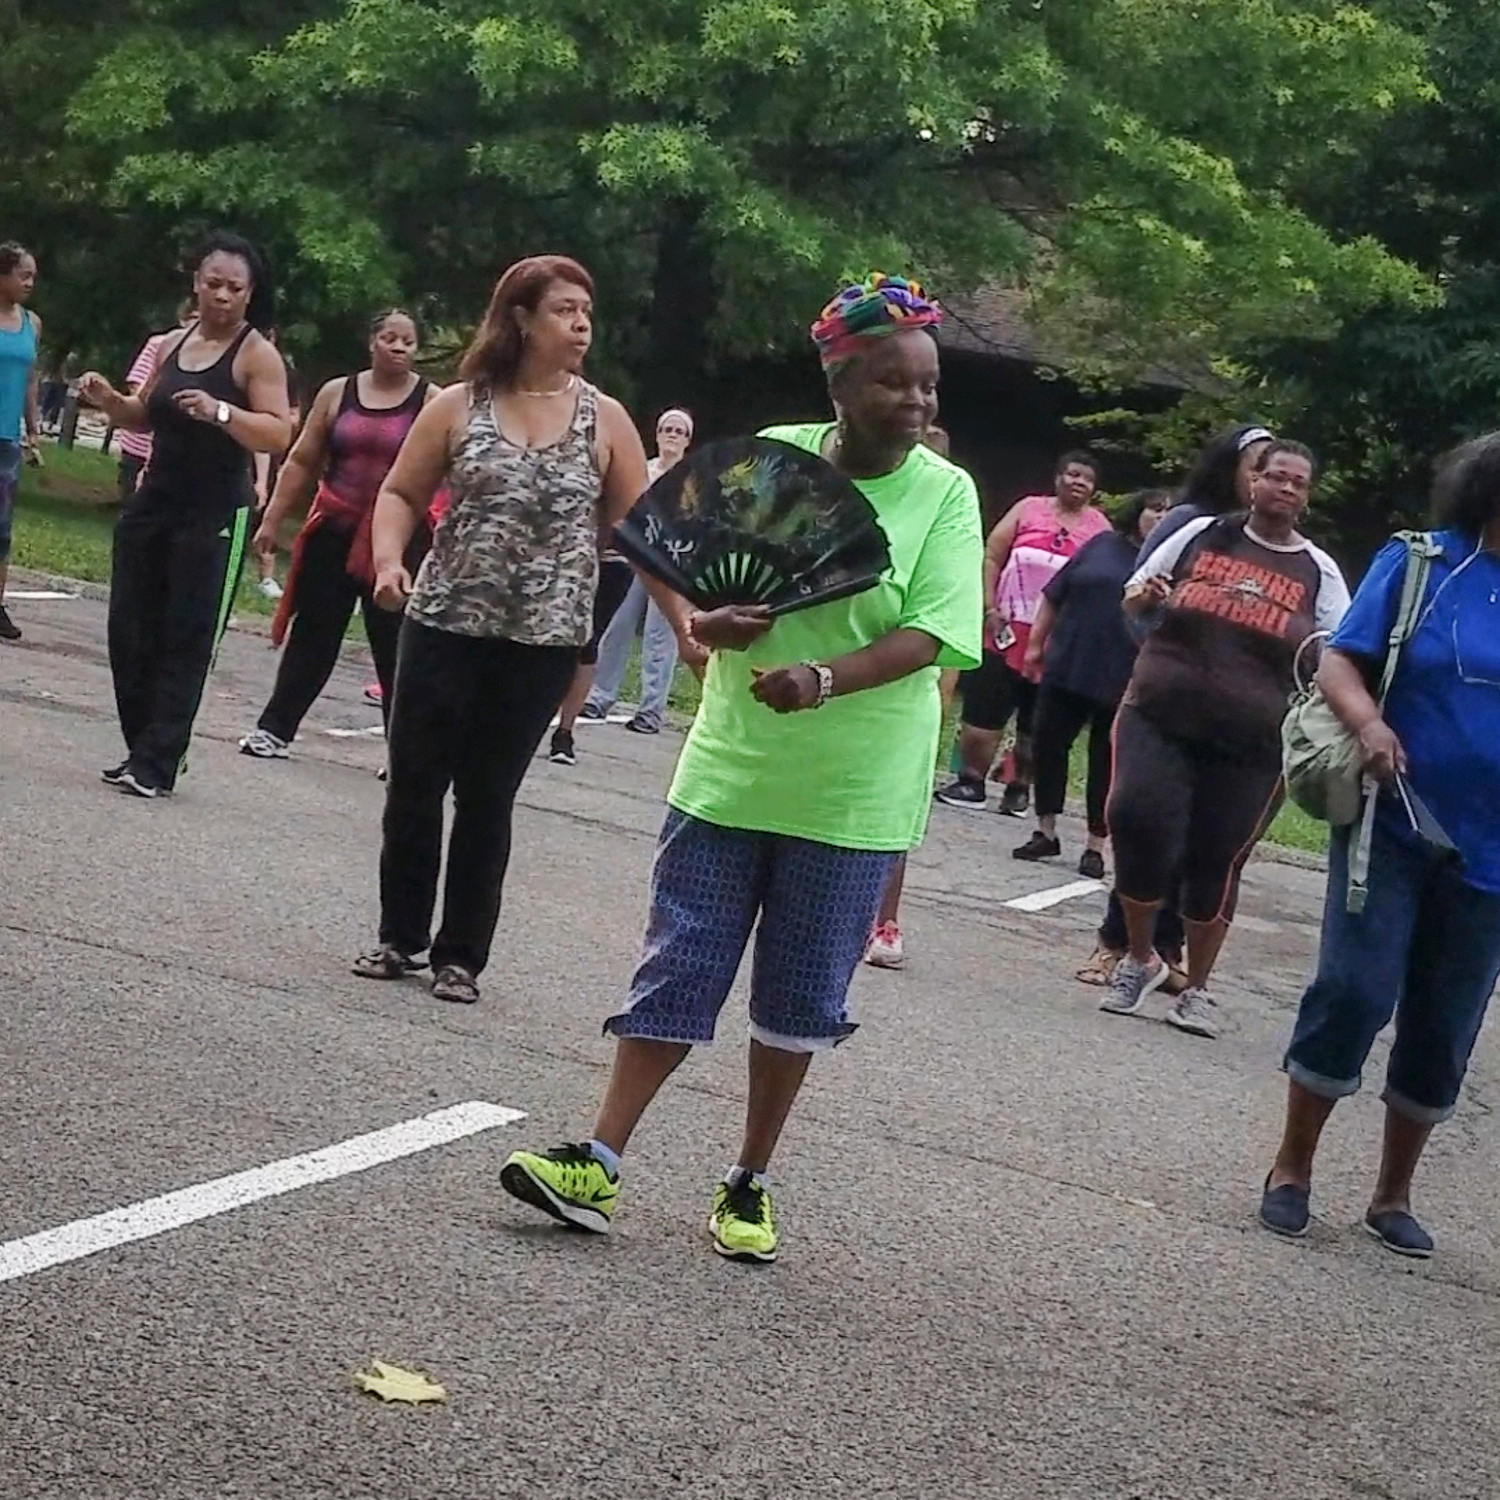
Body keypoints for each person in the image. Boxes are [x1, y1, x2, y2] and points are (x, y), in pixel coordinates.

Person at [499, 272, 983, 1264]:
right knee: (680, 960)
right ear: (839, 384)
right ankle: (598, 1157)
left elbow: (936, 634)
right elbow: (670, 558)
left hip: (852, 792)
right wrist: (697, 625)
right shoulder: (775, 459)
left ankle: (750, 1177)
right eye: (894, 383)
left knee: (798, 998)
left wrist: (823, 675)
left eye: (927, 385)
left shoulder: (948, 493)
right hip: (730, 767)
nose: (917, 402)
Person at [352, 255, 647, 1006]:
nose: (581, 324)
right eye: (564, 310)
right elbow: (401, 492)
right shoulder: (458, 404)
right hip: (445, 620)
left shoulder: (603, 419)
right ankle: (399, 936)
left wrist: (691, 622)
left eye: (587, 311)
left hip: (541, 642)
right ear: (521, 317)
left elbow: (647, 535)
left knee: (488, 795)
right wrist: (389, 562)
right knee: (416, 785)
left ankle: (461, 957)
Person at [1259, 436, 1500, 1258]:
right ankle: (1292, 1167)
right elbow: (1339, 662)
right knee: (1355, 992)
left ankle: (1392, 1194)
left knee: (1445, 1025)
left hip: (1493, 856)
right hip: (1395, 822)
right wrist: (1369, 724)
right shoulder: (1425, 564)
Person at [1100, 440, 1349, 1037]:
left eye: (1298, 482)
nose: (1286, 489)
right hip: (1158, 712)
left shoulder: (1319, 569)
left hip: (1253, 742)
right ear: (1253, 481)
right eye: (1276, 477)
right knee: (1137, 820)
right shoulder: (1203, 535)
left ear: (1306, 497)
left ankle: (1198, 989)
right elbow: (1133, 598)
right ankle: (1139, 957)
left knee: (1217, 857)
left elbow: (1339, 650)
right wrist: (1147, 598)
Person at [79, 232, 292, 798]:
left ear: (250, 295)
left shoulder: (256, 354)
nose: (222, 296)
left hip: (215, 508)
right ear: (195, 284)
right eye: (213, 283)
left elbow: (277, 430)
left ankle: (157, 760)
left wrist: (222, 411)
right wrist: (107, 399)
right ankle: (142, 747)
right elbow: (140, 414)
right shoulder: (173, 342)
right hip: (156, 500)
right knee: (130, 626)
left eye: (235, 288)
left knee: (187, 635)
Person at [1082, 423, 1275, 987]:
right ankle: (1114, 942)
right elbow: (1140, 601)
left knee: (1203, 840)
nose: (1264, 481)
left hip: (1234, 716)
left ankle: (1166, 950)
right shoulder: (1189, 524)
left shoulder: (1277, 545)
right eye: (1256, 467)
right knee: (1147, 824)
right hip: (1166, 701)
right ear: (1231, 468)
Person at [238, 310, 437, 759]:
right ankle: (275, 730)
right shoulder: (337, 392)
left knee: (397, 646)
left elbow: (450, 471)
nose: (400, 347)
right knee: (313, 634)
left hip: (397, 543)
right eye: (390, 337)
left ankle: (404, 752)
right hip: (335, 527)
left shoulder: (432, 400)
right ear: (372, 342)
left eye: (409, 341)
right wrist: (271, 519)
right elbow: (303, 460)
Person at [935, 451, 1109, 813]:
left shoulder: (1099, 529)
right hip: (1005, 629)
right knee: (984, 710)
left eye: (1087, 479)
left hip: (1056, 642)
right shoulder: (1028, 509)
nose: (1078, 483)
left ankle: (1020, 788)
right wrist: (988, 607)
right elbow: (992, 555)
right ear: (1058, 477)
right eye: (1072, 474)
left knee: (1038, 723)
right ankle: (971, 781)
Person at [1013, 490, 1170, 878]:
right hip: (1068, 663)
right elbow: (1054, 595)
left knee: (1106, 761)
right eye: (1155, 509)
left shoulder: (1172, 565)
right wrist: (1035, 646)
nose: (1160, 517)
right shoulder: (1101, 545)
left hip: (1122, 677)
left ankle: (1095, 845)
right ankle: (1044, 831)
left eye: (1169, 512)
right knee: (1048, 746)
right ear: (1138, 512)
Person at [864, 422, 958, 971]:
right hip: (846, 685)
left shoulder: (948, 518)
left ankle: (886, 918)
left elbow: (944, 637)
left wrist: (943, 701)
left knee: (894, 818)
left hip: (905, 694)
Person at [559, 407, 696, 752]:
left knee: (660, 635)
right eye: (667, 429)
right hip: (632, 558)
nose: (672, 436)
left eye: (679, 432)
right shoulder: (642, 470)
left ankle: (651, 708)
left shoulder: (692, 478)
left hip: (671, 563)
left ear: (688, 440)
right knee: (616, 628)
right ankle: (601, 696)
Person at [0, 242, 42, 643]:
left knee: (1, 528)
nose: (29, 282)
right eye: (23, 274)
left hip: (7, 439)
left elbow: (31, 379)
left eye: (33, 276)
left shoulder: (32, 323)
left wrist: (33, 428)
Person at [250, 329, 301, 600]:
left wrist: (277, 419)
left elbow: (293, 415)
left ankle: (266, 577)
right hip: (238, 455)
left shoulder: (282, 370)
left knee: (265, 516)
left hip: (267, 455)